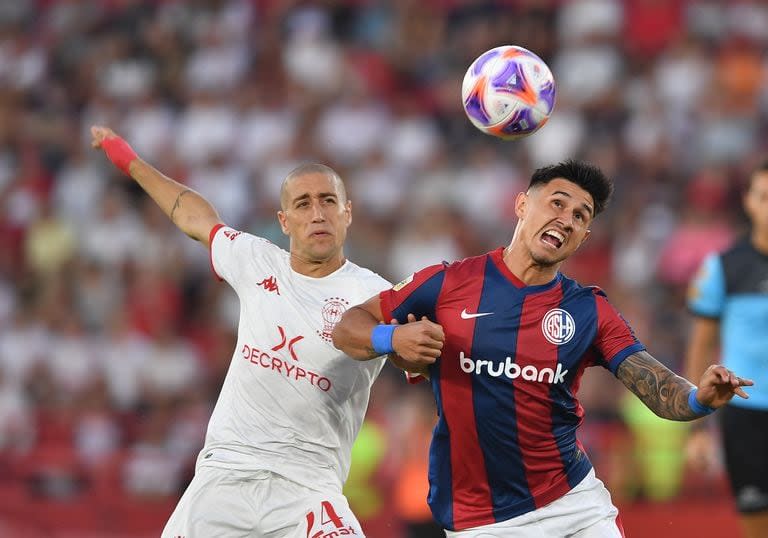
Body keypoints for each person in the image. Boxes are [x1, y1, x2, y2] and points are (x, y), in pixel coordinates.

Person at [331, 159, 753, 537]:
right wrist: (391, 339)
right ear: (521, 205)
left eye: (579, 216)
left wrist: (701, 398)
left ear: (583, 236)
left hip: (574, 503)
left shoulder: (589, 310)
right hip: (481, 520)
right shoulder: (448, 283)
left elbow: (659, 389)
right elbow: (349, 326)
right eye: (557, 203)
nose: (566, 219)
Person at [90, 125, 392, 538]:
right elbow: (193, 216)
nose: (318, 213)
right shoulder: (256, 261)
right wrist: (129, 160)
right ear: (284, 221)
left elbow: (417, 354)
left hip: (307, 488)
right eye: (303, 204)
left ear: (348, 212)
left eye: (328, 201)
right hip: (225, 475)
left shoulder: (377, 294)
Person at [685, 161, 768, 538]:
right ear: (749, 202)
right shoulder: (723, 268)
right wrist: (696, 428)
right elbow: (701, 347)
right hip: (745, 415)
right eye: (764, 197)